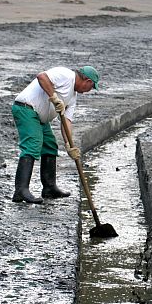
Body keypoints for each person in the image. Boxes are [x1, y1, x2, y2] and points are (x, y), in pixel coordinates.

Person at [11, 66, 100, 204]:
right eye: (91, 87)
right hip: (26, 108)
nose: (89, 91)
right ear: (87, 81)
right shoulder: (65, 74)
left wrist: (69, 146)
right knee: (33, 145)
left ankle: (49, 188)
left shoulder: (72, 97)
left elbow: (67, 122)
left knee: (50, 146)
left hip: (39, 117)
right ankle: (21, 190)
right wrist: (53, 96)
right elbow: (42, 77)